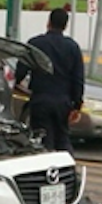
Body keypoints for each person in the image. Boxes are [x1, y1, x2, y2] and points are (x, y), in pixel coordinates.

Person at [14, 8, 84, 152]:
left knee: (42, 140)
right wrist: (77, 105)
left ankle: (46, 169)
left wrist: (16, 83)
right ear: (65, 26)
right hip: (63, 102)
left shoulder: (35, 43)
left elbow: (20, 71)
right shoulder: (73, 47)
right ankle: (66, 169)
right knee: (62, 138)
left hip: (40, 99)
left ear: (48, 22)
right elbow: (78, 79)